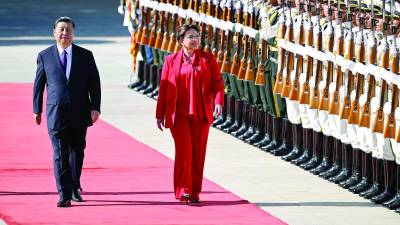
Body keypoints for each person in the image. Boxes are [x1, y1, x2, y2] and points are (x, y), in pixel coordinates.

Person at [33, 16, 101, 207]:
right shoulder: (44, 55)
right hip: (56, 112)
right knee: (60, 153)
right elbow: (38, 85)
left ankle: (74, 186)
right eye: (61, 29)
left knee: (77, 152)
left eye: (68, 30)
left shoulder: (85, 55)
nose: (65, 33)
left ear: (74, 33)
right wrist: (36, 109)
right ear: (54, 32)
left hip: (80, 112)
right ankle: (63, 194)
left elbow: (94, 83)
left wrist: (95, 107)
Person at [155, 24, 224, 203]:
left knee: (198, 154)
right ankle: (182, 189)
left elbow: (217, 83)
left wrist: (218, 102)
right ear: (181, 41)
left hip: (201, 115)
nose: (195, 40)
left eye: (197, 36)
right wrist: (160, 114)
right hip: (179, 115)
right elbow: (164, 87)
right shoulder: (171, 60)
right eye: (190, 37)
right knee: (184, 151)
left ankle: (194, 192)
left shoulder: (208, 59)